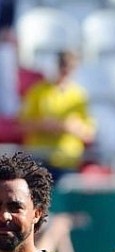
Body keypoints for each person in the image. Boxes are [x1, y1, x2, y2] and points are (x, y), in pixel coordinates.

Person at [18, 50, 96, 180]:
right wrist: (43, 125)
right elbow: (22, 125)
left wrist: (71, 127)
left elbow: (89, 133)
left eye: (70, 66)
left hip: (67, 160)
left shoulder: (79, 96)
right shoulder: (38, 91)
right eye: (63, 65)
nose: (66, 70)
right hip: (39, 159)